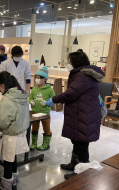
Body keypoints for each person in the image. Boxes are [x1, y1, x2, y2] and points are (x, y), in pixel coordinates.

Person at [46, 52, 105, 180]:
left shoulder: (83, 75)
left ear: (76, 62)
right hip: (82, 113)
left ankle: (82, 173)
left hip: (85, 114)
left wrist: (54, 99)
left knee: (82, 143)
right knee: (77, 140)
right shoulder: (83, 74)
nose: (68, 64)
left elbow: (70, 94)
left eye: (70, 61)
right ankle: (74, 164)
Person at [0, 71, 30, 190]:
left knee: (8, 161)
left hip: (10, 134)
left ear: (2, 85)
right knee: (13, 158)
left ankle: (6, 186)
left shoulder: (7, 99)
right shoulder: (21, 94)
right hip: (21, 133)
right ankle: (13, 181)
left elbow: (3, 122)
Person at [29, 66, 55, 151]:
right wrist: (31, 101)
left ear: (44, 79)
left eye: (38, 78)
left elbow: (53, 100)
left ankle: (46, 144)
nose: (36, 79)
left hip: (45, 113)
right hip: (34, 112)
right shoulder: (34, 89)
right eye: (36, 78)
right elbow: (30, 98)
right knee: (34, 128)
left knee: (46, 128)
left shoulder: (49, 90)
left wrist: (47, 103)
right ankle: (33, 143)